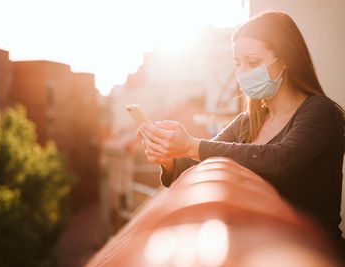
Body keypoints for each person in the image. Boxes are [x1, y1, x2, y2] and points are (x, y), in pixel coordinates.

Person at [137, 11, 345, 256]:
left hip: (316, 255)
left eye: (253, 62)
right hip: (262, 255)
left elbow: (279, 160)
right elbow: (194, 164)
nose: (243, 72)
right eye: (238, 64)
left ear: (286, 58)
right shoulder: (246, 122)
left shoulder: (320, 111)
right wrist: (168, 157)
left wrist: (190, 145)